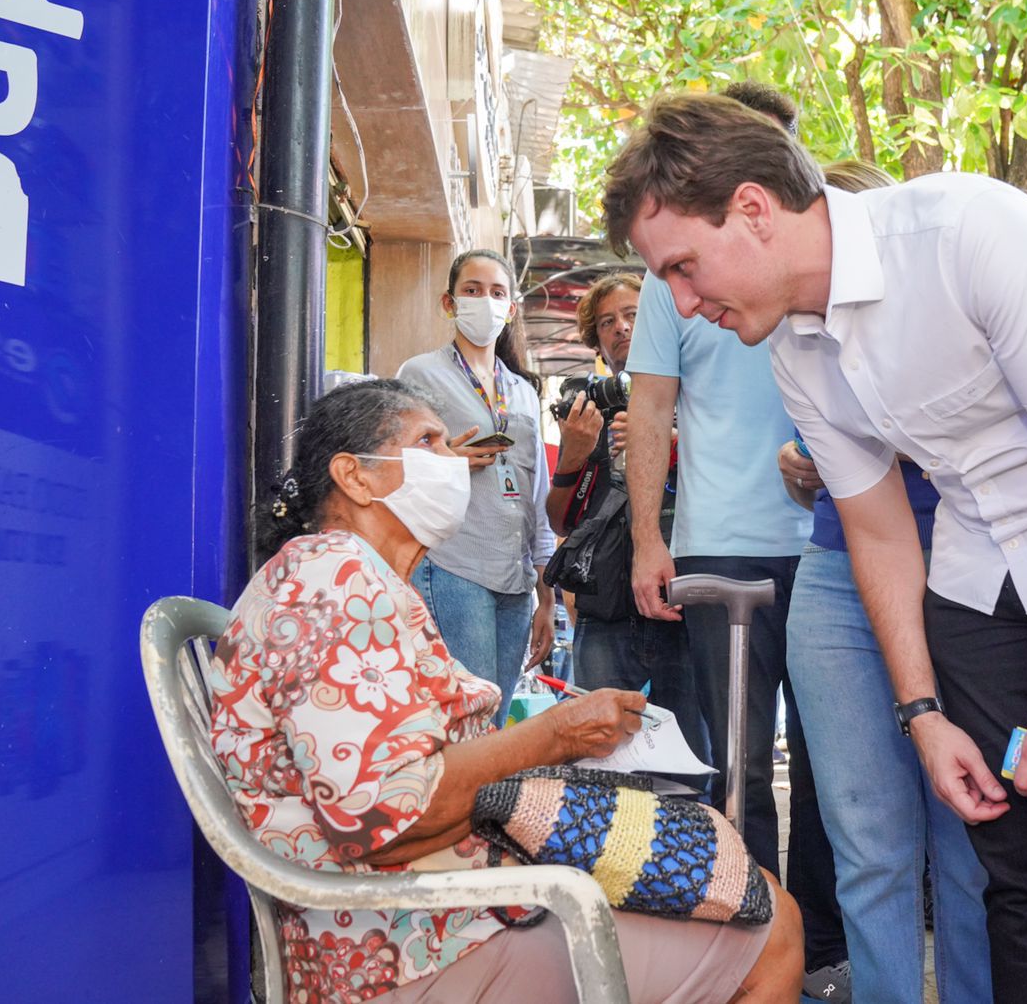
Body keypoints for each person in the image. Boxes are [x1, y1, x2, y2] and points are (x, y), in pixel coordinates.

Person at [606, 92, 1027, 1003]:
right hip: (985, 568)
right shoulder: (795, 350)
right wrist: (924, 716)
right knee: (1012, 864)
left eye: (684, 268)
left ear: (752, 208)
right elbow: (880, 528)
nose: (683, 303)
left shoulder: (970, 231)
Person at [209, 378, 802, 1002]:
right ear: (355, 477)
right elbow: (382, 819)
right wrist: (553, 736)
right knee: (776, 928)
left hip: (434, 911)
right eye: (428, 441)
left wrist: (558, 743)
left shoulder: (350, 576)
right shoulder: (338, 583)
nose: (453, 460)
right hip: (402, 945)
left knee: (742, 886)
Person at [620, 83, 848, 999]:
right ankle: (752, 944)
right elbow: (651, 404)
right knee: (743, 764)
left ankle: (824, 950)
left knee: (839, 765)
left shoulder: (832, 262)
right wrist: (649, 537)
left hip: (837, 541)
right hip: (720, 545)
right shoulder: (671, 273)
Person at [777, 158, 992, 1004]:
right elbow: (851, 474)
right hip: (837, 575)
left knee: (970, 848)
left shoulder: (954, 291)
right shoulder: (797, 339)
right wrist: (815, 466)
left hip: (966, 570)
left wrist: (865, 447)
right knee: (869, 848)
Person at [546, 270, 710, 785]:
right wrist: (574, 453)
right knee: (599, 761)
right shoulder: (587, 409)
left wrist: (669, 439)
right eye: (608, 323)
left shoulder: (701, 399)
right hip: (606, 611)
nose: (622, 329)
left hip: (679, 602)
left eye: (634, 315)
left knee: (690, 762)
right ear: (597, 344)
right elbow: (561, 521)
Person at [398, 250, 556, 723]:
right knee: (469, 716)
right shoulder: (420, 374)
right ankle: (463, 798)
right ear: (449, 303)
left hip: (515, 578)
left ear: (510, 310)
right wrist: (446, 460)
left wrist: (546, 596)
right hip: (453, 565)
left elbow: (538, 499)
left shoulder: (524, 392)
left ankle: (482, 798)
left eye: (496, 293)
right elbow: (393, 464)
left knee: (497, 713)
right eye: (471, 291)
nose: (484, 302)